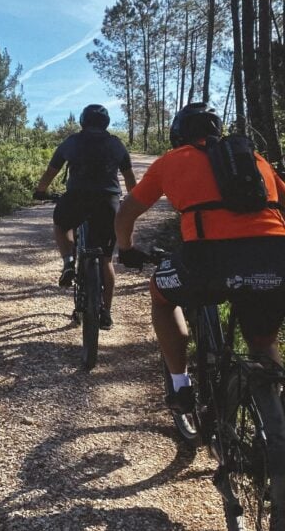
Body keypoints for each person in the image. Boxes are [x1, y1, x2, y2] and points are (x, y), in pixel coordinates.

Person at [115, 102, 285, 413]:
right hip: (275, 256)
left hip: (208, 260)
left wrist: (125, 248)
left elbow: (127, 212)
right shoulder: (256, 159)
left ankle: (181, 386)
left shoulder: (172, 160)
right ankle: (276, 406)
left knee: (161, 294)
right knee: (262, 342)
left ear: (178, 135)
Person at [34, 103, 137, 330]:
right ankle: (107, 313)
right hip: (107, 201)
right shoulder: (116, 144)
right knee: (106, 259)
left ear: (83, 121)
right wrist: (132, 202)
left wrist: (40, 191)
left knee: (61, 225)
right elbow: (130, 179)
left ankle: (68, 262)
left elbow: (51, 172)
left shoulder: (71, 142)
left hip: (76, 198)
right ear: (106, 123)